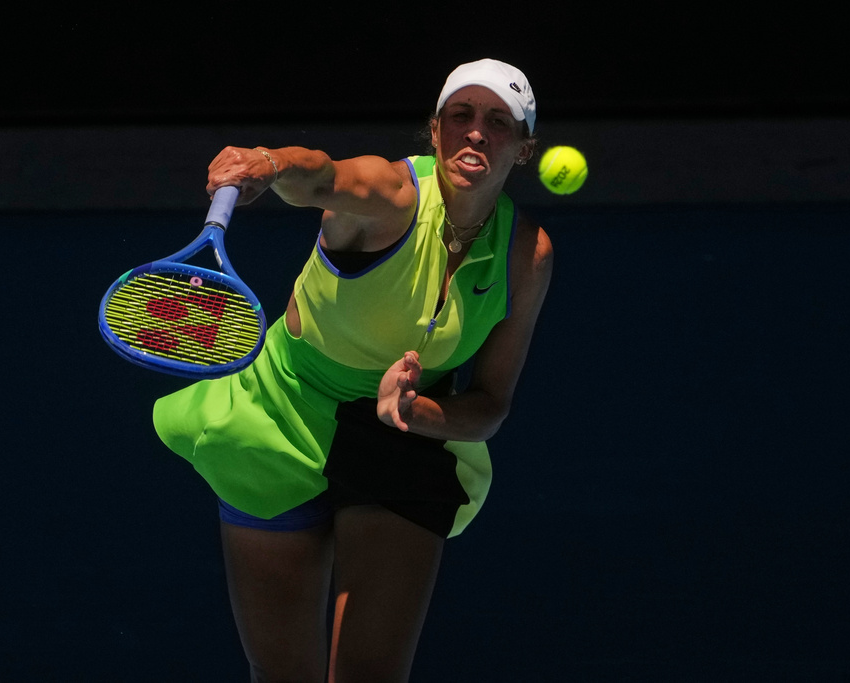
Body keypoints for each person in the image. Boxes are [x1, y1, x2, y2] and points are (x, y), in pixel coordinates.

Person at [152, 58, 554, 682]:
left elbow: (492, 405)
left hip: (403, 442)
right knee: (282, 675)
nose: (476, 132)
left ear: (524, 148)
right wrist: (270, 163)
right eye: (461, 116)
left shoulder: (527, 256)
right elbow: (322, 176)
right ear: (436, 128)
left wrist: (415, 411)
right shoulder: (388, 195)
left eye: (498, 122)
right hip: (281, 420)